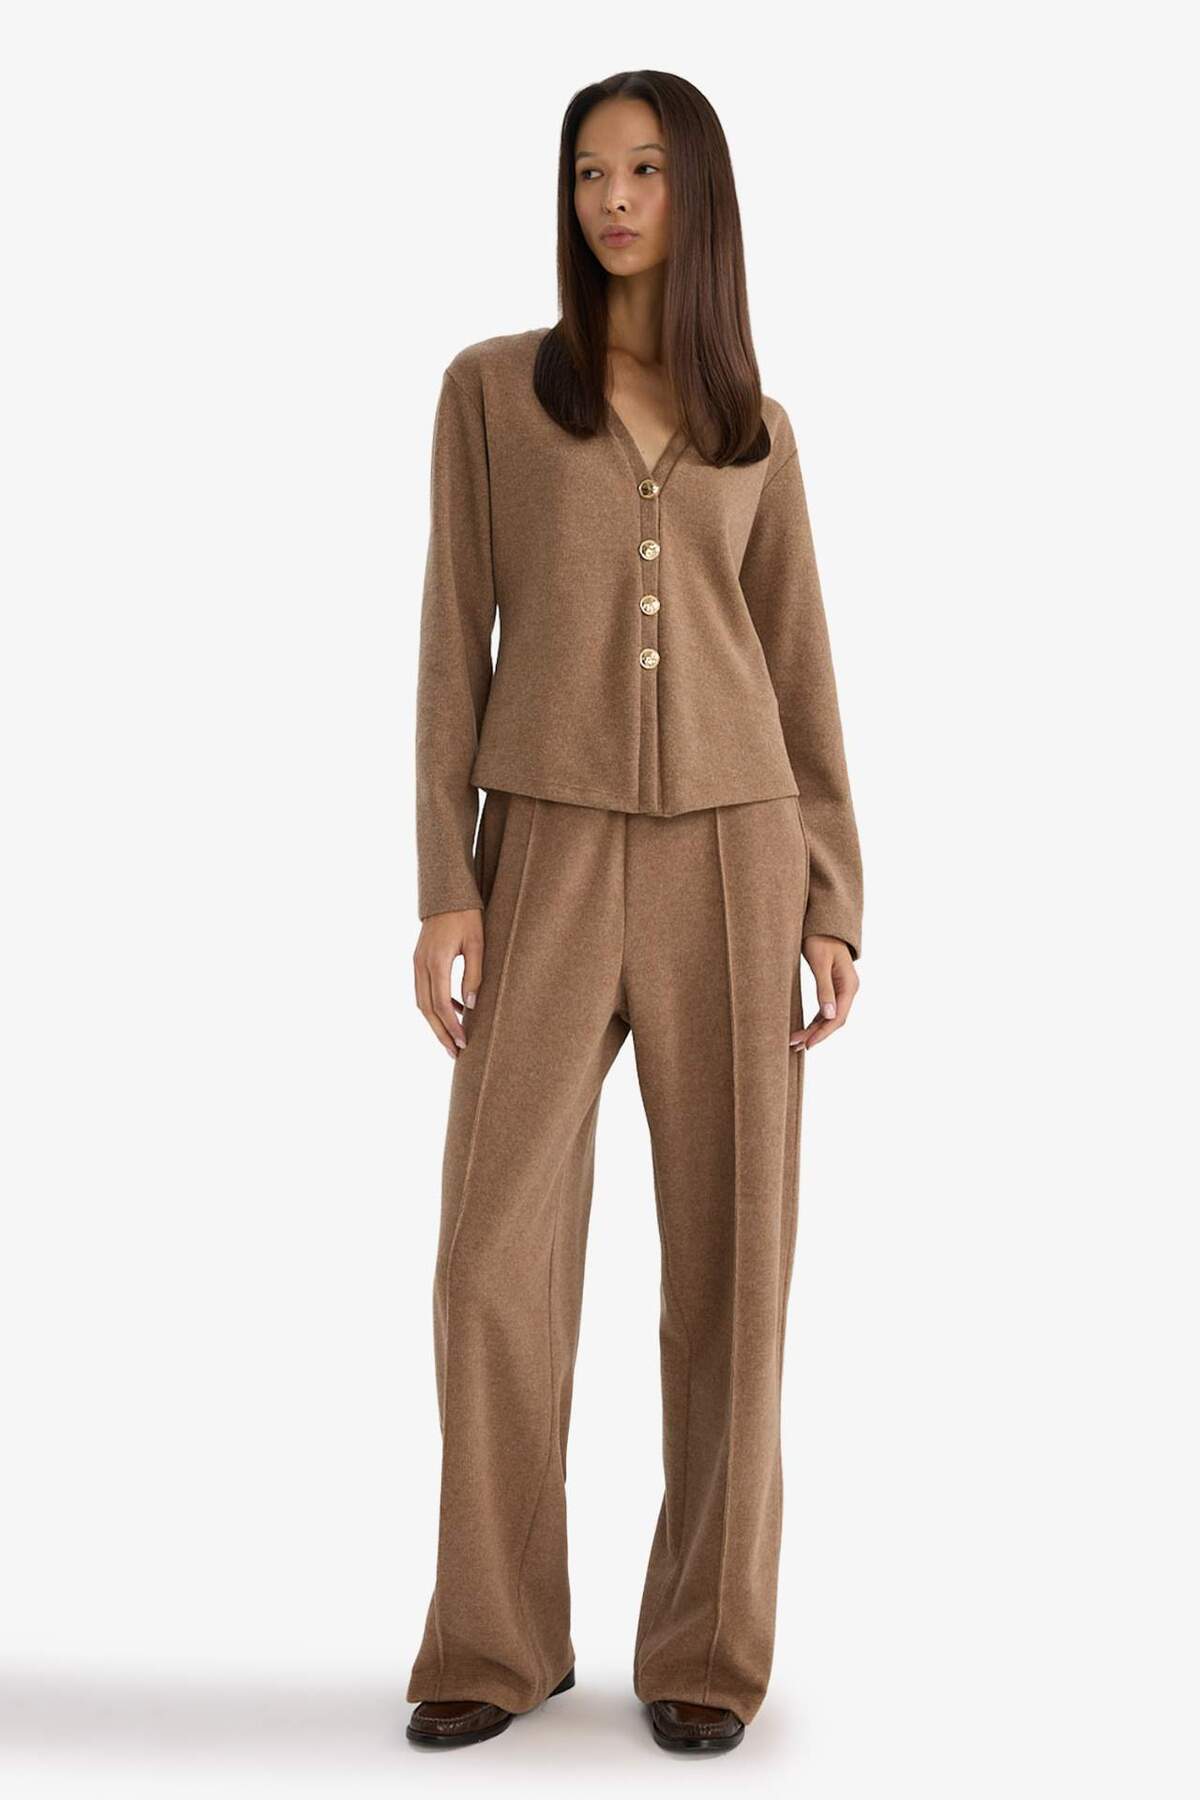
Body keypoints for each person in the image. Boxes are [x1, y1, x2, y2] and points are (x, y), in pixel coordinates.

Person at [405, 68, 864, 1756]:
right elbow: (452, 638)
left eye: (647, 169)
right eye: (591, 171)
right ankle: (495, 1637)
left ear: (697, 193)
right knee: (489, 1258)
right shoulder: (491, 393)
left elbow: (798, 666)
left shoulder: (756, 427)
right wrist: (443, 882)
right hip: (541, 846)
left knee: (735, 1262)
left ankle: (706, 1652)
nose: (613, 199)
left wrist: (833, 897)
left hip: (738, 857)